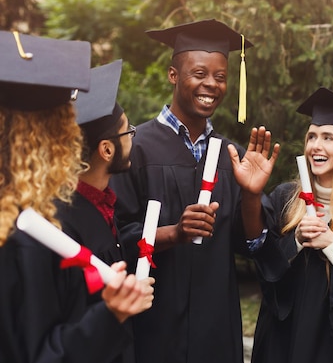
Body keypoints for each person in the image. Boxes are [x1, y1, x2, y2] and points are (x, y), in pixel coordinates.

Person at [109, 19, 265, 363]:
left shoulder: (231, 155)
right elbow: (114, 237)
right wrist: (173, 233)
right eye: (199, 73)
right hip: (154, 324)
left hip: (216, 328)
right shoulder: (137, 148)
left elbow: (250, 245)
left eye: (220, 76)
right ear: (173, 75)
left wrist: (252, 195)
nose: (211, 84)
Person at [0, 31, 153, 363]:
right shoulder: (24, 233)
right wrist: (109, 315)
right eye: (66, 127)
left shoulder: (20, 217)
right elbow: (38, 353)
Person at [229, 87, 333, 363]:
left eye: (328, 138)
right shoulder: (286, 197)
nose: (315, 146)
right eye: (312, 137)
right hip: (282, 339)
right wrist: (295, 240)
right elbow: (261, 259)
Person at [55, 59, 155, 363]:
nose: (133, 139)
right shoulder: (64, 223)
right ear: (107, 150)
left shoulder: (103, 205)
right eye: (128, 132)